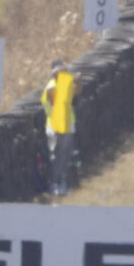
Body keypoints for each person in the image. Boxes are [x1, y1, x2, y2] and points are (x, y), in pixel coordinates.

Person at [41, 60, 79, 196]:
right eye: (60, 71)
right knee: (56, 156)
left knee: (65, 156)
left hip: (67, 125)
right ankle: (54, 183)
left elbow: (76, 94)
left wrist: (77, 81)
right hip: (55, 126)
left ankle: (62, 182)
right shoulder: (51, 86)